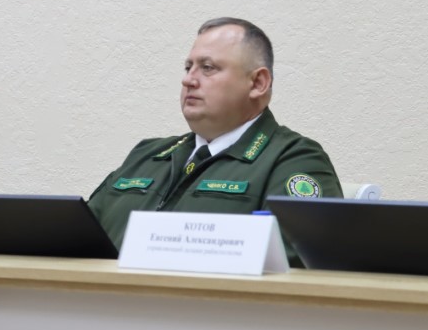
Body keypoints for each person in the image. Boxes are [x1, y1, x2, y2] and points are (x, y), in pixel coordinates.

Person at [88, 18, 343, 262]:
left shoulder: (293, 160)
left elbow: (298, 266)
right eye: (188, 67)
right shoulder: (147, 155)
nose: (188, 79)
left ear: (258, 83)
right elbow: (80, 239)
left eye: (208, 68)